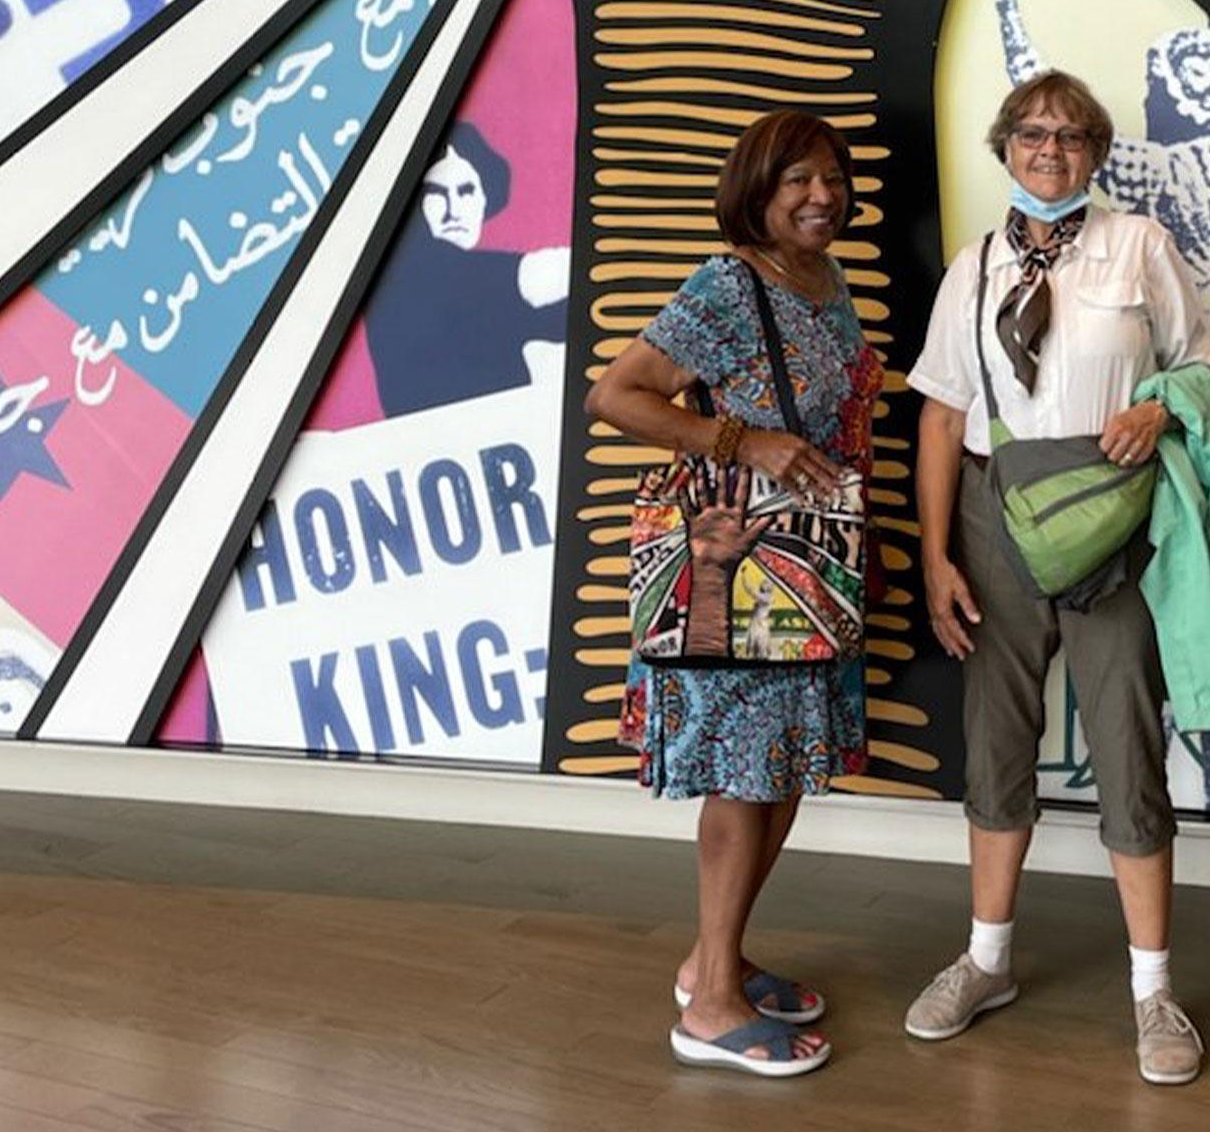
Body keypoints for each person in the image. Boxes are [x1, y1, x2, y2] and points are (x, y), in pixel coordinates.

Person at [904, 69, 1210, 1085]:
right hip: (998, 513)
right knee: (997, 738)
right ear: (1005, 146)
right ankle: (985, 958)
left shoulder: (1140, 247)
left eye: (1073, 135)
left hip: (1110, 514)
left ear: (1097, 153)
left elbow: (1202, 364)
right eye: (1034, 132)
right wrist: (938, 552)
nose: (1051, 148)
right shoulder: (976, 265)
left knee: (1126, 736)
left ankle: (1153, 989)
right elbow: (944, 415)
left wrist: (1160, 406)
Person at [584, 109, 883, 1079]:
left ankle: (714, 958)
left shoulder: (827, 280)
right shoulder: (726, 284)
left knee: (783, 768)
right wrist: (740, 442)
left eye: (832, 175)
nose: (820, 194)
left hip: (812, 563)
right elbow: (616, 393)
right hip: (740, 565)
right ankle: (709, 1006)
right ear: (756, 186)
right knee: (742, 775)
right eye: (797, 177)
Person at [366, 122, 568, 416]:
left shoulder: (485, 300)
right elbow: (528, 277)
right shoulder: (404, 273)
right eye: (435, 193)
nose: (453, 209)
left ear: (485, 198)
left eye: (466, 191)